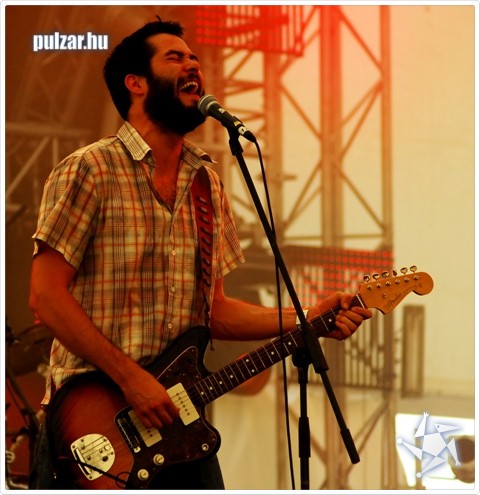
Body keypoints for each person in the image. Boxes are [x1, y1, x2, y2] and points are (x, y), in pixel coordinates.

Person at [28, 18, 372, 490]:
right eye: (175, 57)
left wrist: (308, 317)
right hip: (91, 428)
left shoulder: (207, 184)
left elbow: (215, 311)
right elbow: (46, 297)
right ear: (136, 83)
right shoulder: (90, 168)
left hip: (180, 431)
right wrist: (130, 378)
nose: (193, 65)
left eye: (195, 58)